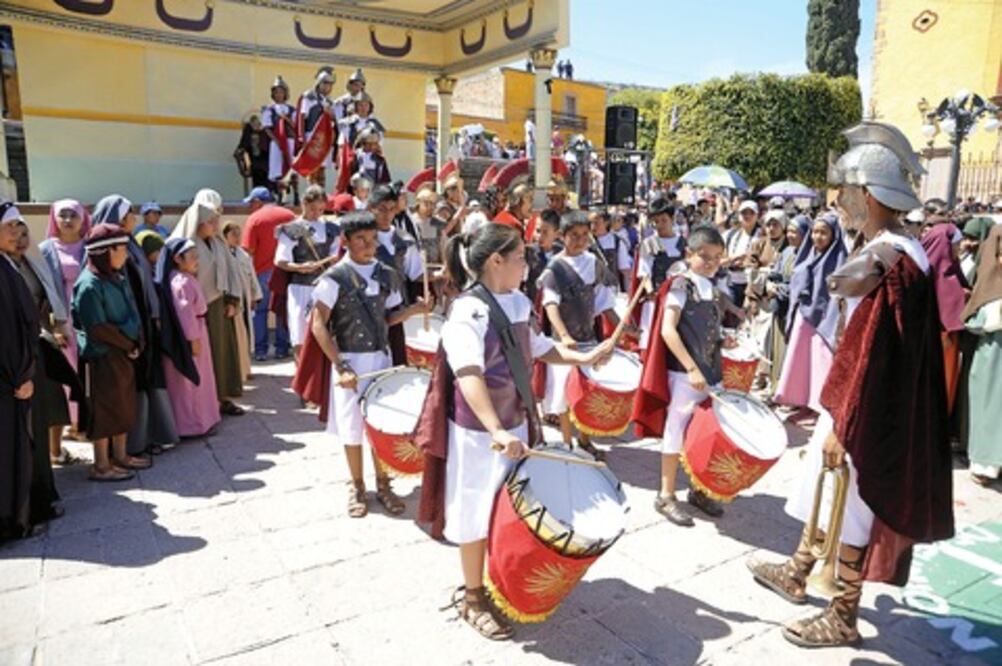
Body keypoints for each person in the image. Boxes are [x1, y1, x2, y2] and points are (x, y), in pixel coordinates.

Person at [747, 121, 954, 648]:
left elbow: (871, 354)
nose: (837, 203)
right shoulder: (900, 250)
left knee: (852, 506)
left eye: (844, 194)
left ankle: (843, 615)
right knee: (820, 485)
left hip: (866, 410)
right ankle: (799, 570)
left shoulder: (886, 262)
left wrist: (844, 422)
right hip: (860, 401)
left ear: (867, 195)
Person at [415, 224, 612, 641]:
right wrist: (495, 429)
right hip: (478, 434)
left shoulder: (520, 302)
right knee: (474, 512)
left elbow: (539, 349)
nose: (527, 261)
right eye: (520, 255)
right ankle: (472, 597)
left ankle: (499, 578)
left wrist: (585, 356)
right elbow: (468, 375)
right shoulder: (467, 311)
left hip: (517, 422)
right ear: (496, 261)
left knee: (511, 507)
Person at [309, 211, 430, 517]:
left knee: (380, 423)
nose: (368, 245)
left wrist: (413, 310)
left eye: (372, 238)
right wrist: (340, 365)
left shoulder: (385, 273)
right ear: (345, 241)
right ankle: (357, 485)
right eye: (360, 239)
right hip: (350, 361)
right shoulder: (333, 278)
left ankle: (384, 484)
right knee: (352, 427)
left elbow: (389, 318)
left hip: (381, 358)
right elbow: (318, 325)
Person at [632, 226, 734, 526]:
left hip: (711, 372)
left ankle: (699, 489)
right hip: (685, 376)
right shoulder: (681, 285)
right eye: (704, 256)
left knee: (704, 432)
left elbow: (709, 330)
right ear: (689, 255)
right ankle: (665, 494)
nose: (711, 262)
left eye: (717, 257)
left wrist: (724, 340)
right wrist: (690, 367)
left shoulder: (713, 289)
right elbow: (667, 330)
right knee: (676, 430)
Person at [93, 195, 179, 458]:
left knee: (148, 378)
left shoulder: (130, 244)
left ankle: (152, 435)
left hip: (142, 323)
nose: (133, 218)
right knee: (132, 383)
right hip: (125, 327)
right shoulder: (110, 248)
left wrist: (152, 315)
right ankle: (132, 444)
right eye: (129, 214)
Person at [538, 211, 620, 460]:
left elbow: (604, 303)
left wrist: (622, 327)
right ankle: (567, 443)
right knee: (564, 394)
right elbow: (550, 305)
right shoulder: (555, 268)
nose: (580, 240)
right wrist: (563, 335)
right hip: (564, 345)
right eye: (574, 235)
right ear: (562, 236)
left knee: (585, 393)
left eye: (585, 235)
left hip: (587, 338)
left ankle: (585, 441)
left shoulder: (594, 263)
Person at [72, 224, 149, 481]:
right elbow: (98, 329)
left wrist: (135, 342)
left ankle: (121, 455)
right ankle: (102, 465)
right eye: (122, 249)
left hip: (123, 353)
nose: (126, 254)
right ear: (105, 252)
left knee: (123, 406)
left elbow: (130, 313)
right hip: (102, 356)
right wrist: (129, 344)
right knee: (104, 410)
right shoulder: (89, 285)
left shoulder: (117, 277)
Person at [169, 191, 245, 416]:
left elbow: (230, 271)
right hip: (196, 311)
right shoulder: (186, 245)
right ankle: (204, 405)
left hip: (219, 306)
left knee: (221, 355)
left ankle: (222, 398)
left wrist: (232, 299)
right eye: (211, 221)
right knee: (202, 357)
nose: (215, 224)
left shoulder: (218, 243)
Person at [772, 213, 846, 414]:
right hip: (802, 317)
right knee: (800, 362)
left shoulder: (839, 260)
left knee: (819, 364)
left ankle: (817, 407)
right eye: (815, 232)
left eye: (824, 233)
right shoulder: (807, 255)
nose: (817, 237)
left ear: (834, 235)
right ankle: (801, 402)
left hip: (823, 321)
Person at [155, 237, 220, 439]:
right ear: (177, 258)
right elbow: (185, 314)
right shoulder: (180, 282)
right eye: (192, 257)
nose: (196, 260)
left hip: (197, 331)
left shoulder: (183, 278)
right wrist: (193, 340)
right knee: (190, 383)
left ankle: (200, 421)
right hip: (191, 336)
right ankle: (192, 425)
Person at [38, 199, 90, 447]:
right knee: (66, 371)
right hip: (61, 320)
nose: (68, 220)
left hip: (88, 316)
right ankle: (70, 422)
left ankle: (85, 421)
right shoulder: (45, 249)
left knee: (87, 369)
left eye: (73, 215)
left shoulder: (90, 247)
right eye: (63, 215)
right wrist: (53, 323)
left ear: (83, 219)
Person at [0, 202, 37, 538]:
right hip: (8, 384)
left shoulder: (9, 266)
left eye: (19, 227)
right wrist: (19, 377)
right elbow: (6, 334)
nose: (17, 234)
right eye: (10, 227)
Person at [275, 185, 341, 358]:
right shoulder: (292, 229)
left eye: (320, 209)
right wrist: (300, 267)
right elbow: (281, 260)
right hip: (300, 287)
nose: (316, 213)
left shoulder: (331, 229)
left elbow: (336, 255)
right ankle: (301, 372)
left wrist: (332, 262)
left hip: (324, 286)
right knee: (300, 334)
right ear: (304, 203)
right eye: (313, 208)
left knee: (325, 331)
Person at [961, 223, 1002, 485]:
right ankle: (985, 463)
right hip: (993, 354)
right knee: (989, 401)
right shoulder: (991, 280)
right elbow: (977, 318)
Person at [240, 186, 294, 361]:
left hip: (262, 272)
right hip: (286, 270)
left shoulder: (254, 219)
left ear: (258, 202)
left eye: (251, 203)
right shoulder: (290, 216)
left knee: (260, 311)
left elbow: (247, 250)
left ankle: (261, 350)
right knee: (282, 310)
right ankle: (282, 348)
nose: (250, 207)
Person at [921, 223, 969, 416]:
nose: (959, 248)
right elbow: (945, 303)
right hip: (942, 340)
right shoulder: (940, 275)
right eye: (956, 245)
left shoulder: (949, 270)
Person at [763, 215, 811, 392]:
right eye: (789, 230)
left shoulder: (810, 256)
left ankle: (789, 392)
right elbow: (774, 272)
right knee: (777, 349)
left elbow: (802, 286)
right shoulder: (787, 252)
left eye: (795, 231)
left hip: (797, 312)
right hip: (780, 309)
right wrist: (769, 284)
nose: (791, 235)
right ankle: (776, 388)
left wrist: (781, 289)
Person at [634, 197, 686, 351]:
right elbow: (644, 272)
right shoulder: (649, 243)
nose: (660, 225)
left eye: (664, 220)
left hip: (678, 297)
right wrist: (651, 291)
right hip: (655, 298)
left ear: (672, 219)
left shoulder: (683, 243)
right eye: (656, 221)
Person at [223, 220, 263, 381]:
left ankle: (246, 368)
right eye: (233, 234)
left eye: (239, 234)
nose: (237, 237)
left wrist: (254, 295)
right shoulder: (223, 254)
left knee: (246, 333)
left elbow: (252, 276)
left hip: (245, 299)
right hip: (232, 301)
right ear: (225, 236)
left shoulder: (243, 254)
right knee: (235, 336)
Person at [296, 67, 336, 187]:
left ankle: (321, 194)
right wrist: (302, 138)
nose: (327, 87)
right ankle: (313, 194)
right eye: (325, 83)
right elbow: (302, 118)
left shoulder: (329, 102)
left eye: (330, 84)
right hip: (311, 137)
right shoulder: (309, 97)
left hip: (324, 139)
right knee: (312, 168)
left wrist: (331, 115)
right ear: (319, 82)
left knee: (322, 168)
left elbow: (334, 122)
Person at [262, 75, 296, 202]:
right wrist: (277, 141)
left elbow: (295, 126)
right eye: (276, 92)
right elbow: (267, 128)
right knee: (278, 168)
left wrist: (286, 118)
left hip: (290, 140)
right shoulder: (269, 110)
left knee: (291, 166)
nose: (279, 94)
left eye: (281, 92)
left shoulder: (292, 110)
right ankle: (280, 195)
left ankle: (295, 194)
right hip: (276, 143)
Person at [722, 200, 761, 305]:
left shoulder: (762, 235)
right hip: (731, 282)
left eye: (751, 213)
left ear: (757, 216)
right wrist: (733, 259)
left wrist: (747, 261)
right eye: (744, 212)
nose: (747, 216)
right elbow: (720, 259)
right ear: (739, 215)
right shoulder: (729, 235)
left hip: (751, 284)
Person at [523, 208, 561, 303]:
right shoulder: (528, 253)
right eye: (538, 231)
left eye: (545, 232)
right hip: (534, 304)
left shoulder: (563, 254)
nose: (540, 236)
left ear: (557, 234)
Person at [591, 209, 632, 292]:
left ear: (606, 223)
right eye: (590, 223)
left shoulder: (616, 242)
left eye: (596, 223)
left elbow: (624, 269)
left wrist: (630, 291)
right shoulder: (585, 242)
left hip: (611, 291)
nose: (592, 227)